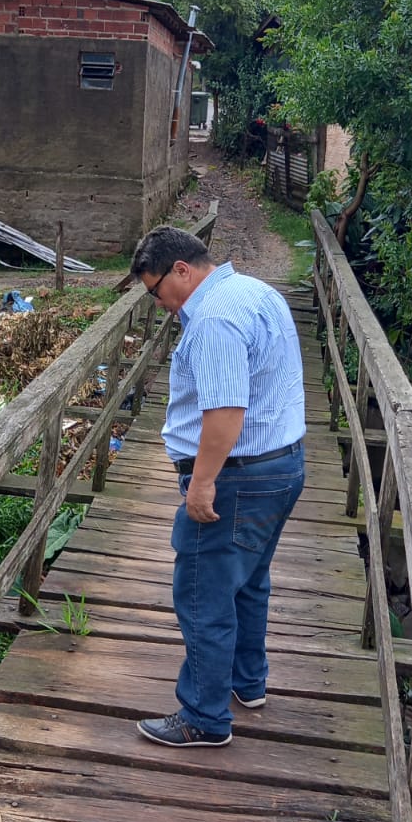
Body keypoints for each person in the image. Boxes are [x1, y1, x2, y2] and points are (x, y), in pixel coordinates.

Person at [129, 225, 306, 747]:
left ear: (182, 270)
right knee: (248, 582)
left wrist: (202, 483)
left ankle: (204, 717)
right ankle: (247, 684)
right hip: (282, 465)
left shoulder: (214, 319)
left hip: (238, 477)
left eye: (156, 290)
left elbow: (226, 412)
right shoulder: (256, 292)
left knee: (202, 595)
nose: (159, 303)